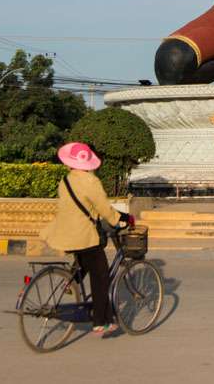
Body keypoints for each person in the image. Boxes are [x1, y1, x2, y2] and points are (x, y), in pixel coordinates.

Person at [40, 142, 132, 337]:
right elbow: (103, 208)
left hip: (65, 232)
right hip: (84, 235)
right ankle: (101, 321)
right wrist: (120, 219)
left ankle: (70, 281)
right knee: (101, 276)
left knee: (86, 262)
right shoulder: (91, 182)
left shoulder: (65, 181)